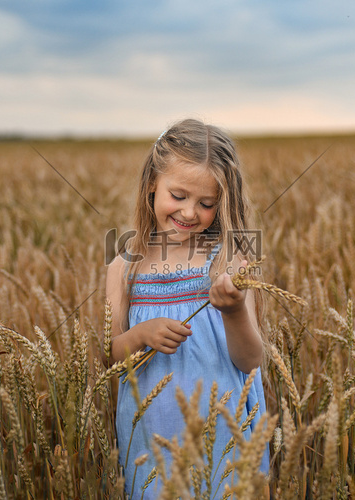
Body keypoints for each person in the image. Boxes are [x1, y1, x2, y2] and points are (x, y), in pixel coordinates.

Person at [105, 118, 268, 498]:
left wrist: (234, 311)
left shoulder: (229, 262)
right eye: (178, 196)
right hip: (152, 434)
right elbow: (109, 355)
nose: (190, 212)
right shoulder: (124, 267)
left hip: (223, 430)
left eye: (206, 203)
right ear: (151, 185)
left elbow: (250, 359)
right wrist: (140, 334)